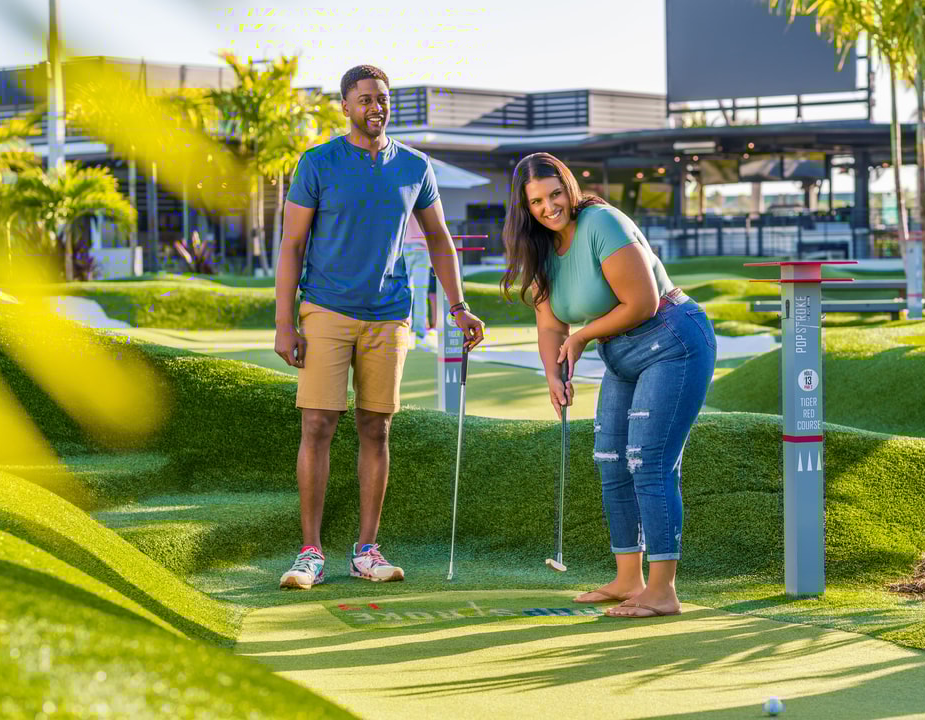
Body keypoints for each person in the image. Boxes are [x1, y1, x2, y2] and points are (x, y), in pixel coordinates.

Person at [273, 64, 485, 589]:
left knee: (377, 426)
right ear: (345, 106)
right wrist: (284, 323)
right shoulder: (317, 163)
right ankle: (310, 552)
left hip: (389, 313)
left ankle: (366, 549)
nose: (376, 106)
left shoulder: (415, 166)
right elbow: (292, 244)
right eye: (365, 98)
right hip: (325, 307)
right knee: (318, 424)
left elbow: (439, 240)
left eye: (383, 98)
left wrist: (457, 307)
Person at [501, 152, 716, 618]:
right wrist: (553, 374)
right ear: (524, 206)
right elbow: (549, 324)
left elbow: (641, 302)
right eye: (536, 200)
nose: (549, 207)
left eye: (556, 194)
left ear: (569, 189)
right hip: (621, 354)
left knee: (650, 462)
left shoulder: (601, 222)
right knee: (612, 462)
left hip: (673, 339)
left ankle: (663, 592)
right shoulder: (539, 250)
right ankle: (627, 579)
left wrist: (582, 337)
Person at [402, 214, 434, 349]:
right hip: (421, 247)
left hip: (403, 246)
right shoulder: (423, 198)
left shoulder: (402, 195)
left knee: (406, 291)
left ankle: (404, 331)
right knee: (420, 293)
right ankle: (420, 335)